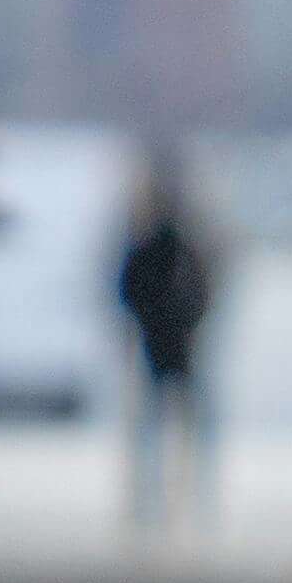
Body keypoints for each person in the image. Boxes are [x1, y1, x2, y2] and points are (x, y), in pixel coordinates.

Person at [114, 154, 220, 535]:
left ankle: (172, 498)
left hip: (166, 345)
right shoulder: (177, 252)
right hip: (170, 345)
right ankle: (172, 498)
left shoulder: (160, 251)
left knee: (163, 428)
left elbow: (129, 293)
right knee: (170, 428)